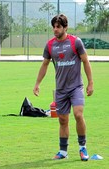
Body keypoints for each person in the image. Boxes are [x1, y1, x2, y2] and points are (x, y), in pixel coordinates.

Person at [33, 14, 94, 161]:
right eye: (53, 26)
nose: (55, 29)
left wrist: (90, 82)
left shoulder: (75, 42)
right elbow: (45, 64)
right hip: (60, 89)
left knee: (78, 114)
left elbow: (85, 61)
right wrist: (37, 84)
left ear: (65, 27)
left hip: (76, 87)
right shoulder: (50, 45)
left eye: (58, 27)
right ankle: (63, 151)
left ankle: (82, 147)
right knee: (62, 120)